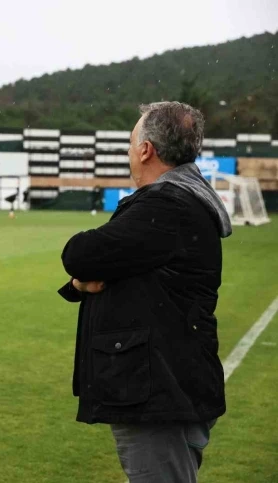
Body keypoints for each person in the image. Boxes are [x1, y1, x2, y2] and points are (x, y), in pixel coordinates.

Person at [58, 102, 231, 483]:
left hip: (161, 389)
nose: (129, 153)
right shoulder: (182, 201)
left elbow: (80, 253)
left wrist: (81, 276)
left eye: (131, 142)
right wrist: (79, 284)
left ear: (146, 150)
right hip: (166, 383)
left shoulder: (167, 204)